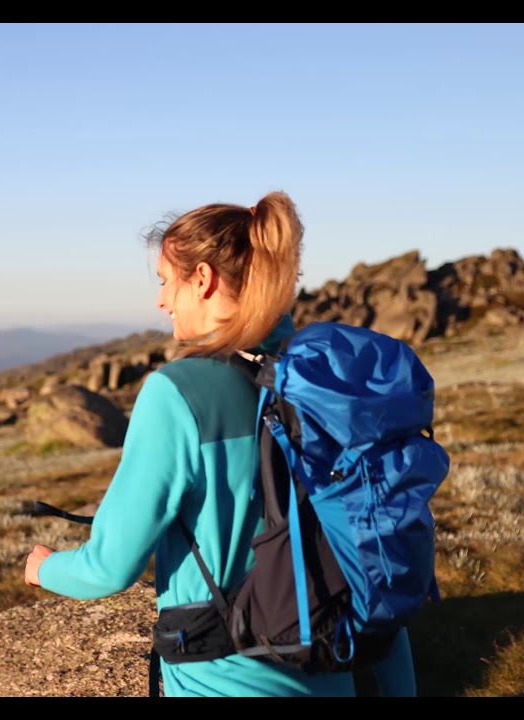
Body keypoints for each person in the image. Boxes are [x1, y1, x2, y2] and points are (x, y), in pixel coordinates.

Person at [22, 192, 416, 697]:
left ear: (202, 279)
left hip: (223, 677)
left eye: (166, 282)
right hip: (335, 669)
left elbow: (108, 568)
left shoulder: (178, 393)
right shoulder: (325, 379)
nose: (161, 301)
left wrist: (44, 567)